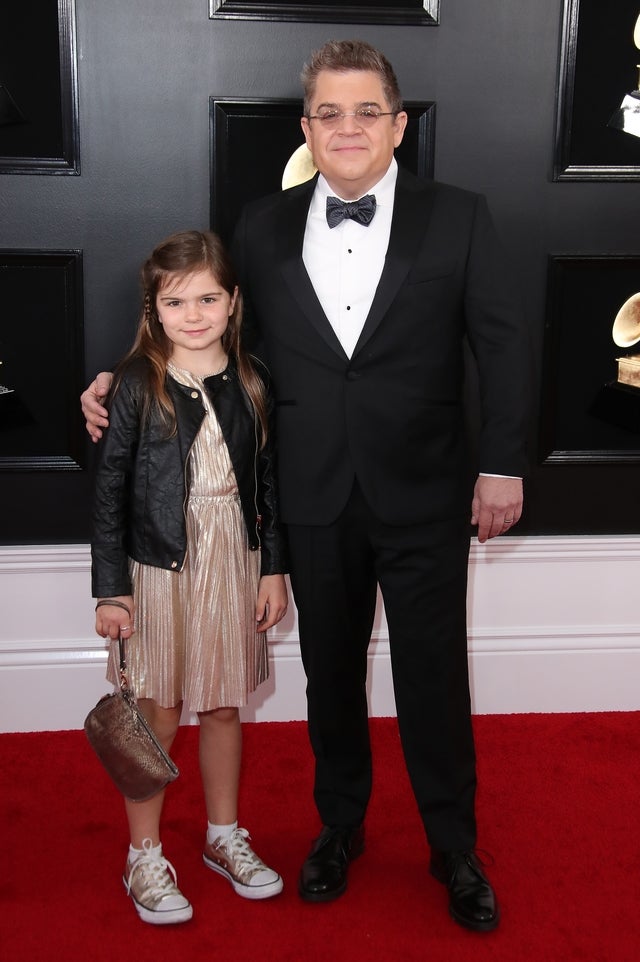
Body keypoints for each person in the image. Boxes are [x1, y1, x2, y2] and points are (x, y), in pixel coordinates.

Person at [82, 41, 532, 933]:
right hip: (308, 494)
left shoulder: (463, 217)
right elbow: (208, 328)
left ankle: (453, 846)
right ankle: (340, 829)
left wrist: (504, 462)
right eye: (330, 112)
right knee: (328, 677)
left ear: (399, 125)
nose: (349, 127)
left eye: (368, 110)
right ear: (307, 128)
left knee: (433, 679)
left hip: (426, 492)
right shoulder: (260, 225)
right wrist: (118, 380)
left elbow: (505, 346)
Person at [90, 229, 288, 925]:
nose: (195, 313)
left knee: (225, 703)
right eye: (177, 301)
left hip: (232, 560)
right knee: (159, 711)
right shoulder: (136, 384)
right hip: (155, 568)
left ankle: (222, 836)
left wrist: (273, 569)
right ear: (154, 308)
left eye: (209, 298)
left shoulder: (254, 381)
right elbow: (110, 491)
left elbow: (270, 488)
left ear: (233, 302)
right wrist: (110, 588)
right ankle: (143, 852)